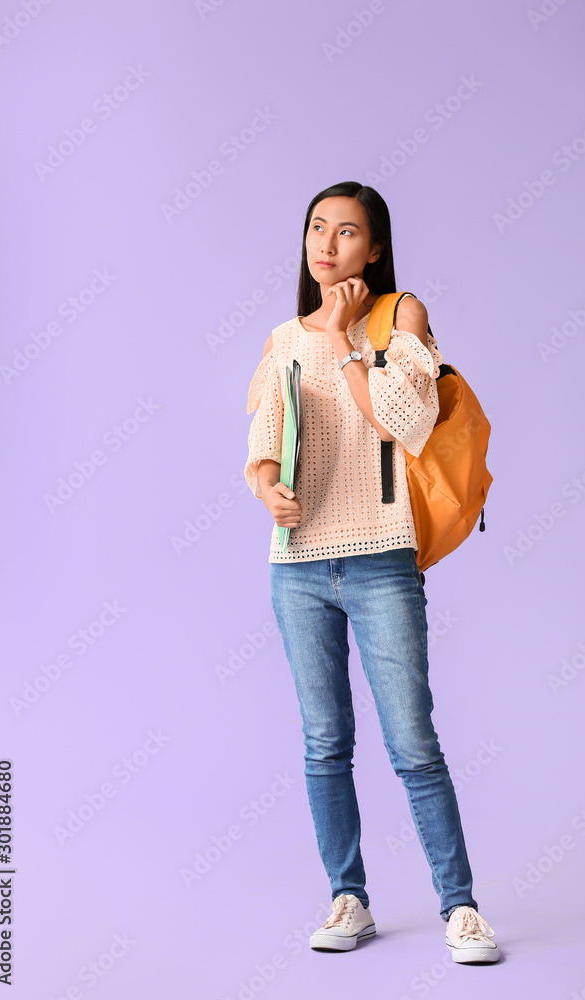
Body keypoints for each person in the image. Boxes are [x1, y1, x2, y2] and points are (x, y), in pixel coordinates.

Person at [243, 181, 500, 965]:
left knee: (412, 742)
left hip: (381, 559)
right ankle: (346, 897)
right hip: (298, 566)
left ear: (375, 249)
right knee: (325, 742)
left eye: (346, 232)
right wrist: (264, 484)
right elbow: (263, 432)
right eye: (317, 228)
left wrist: (354, 337)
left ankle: (460, 909)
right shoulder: (283, 336)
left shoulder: (399, 317)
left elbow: (405, 420)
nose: (326, 243)